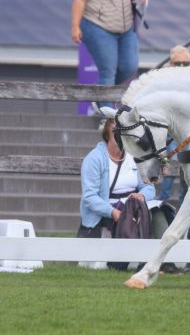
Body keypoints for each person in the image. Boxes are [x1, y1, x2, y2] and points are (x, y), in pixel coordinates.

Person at [77, 116, 155, 270]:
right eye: (116, 132)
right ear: (107, 135)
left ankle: (164, 264)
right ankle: (122, 264)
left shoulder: (135, 157)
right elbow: (90, 198)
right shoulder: (94, 159)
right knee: (127, 217)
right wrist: (113, 212)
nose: (120, 136)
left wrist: (142, 195)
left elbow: (149, 187)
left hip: (134, 204)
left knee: (160, 213)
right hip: (108, 208)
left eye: (123, 133)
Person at [158, 45, 190, 201]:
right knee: (173, 158)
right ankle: (164, 199)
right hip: (169, 129)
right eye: (178, 63)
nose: (182, 67)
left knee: (187, 162)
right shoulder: (163, 79)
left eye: (185, 63)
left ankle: (183, 200)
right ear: (171, 64)